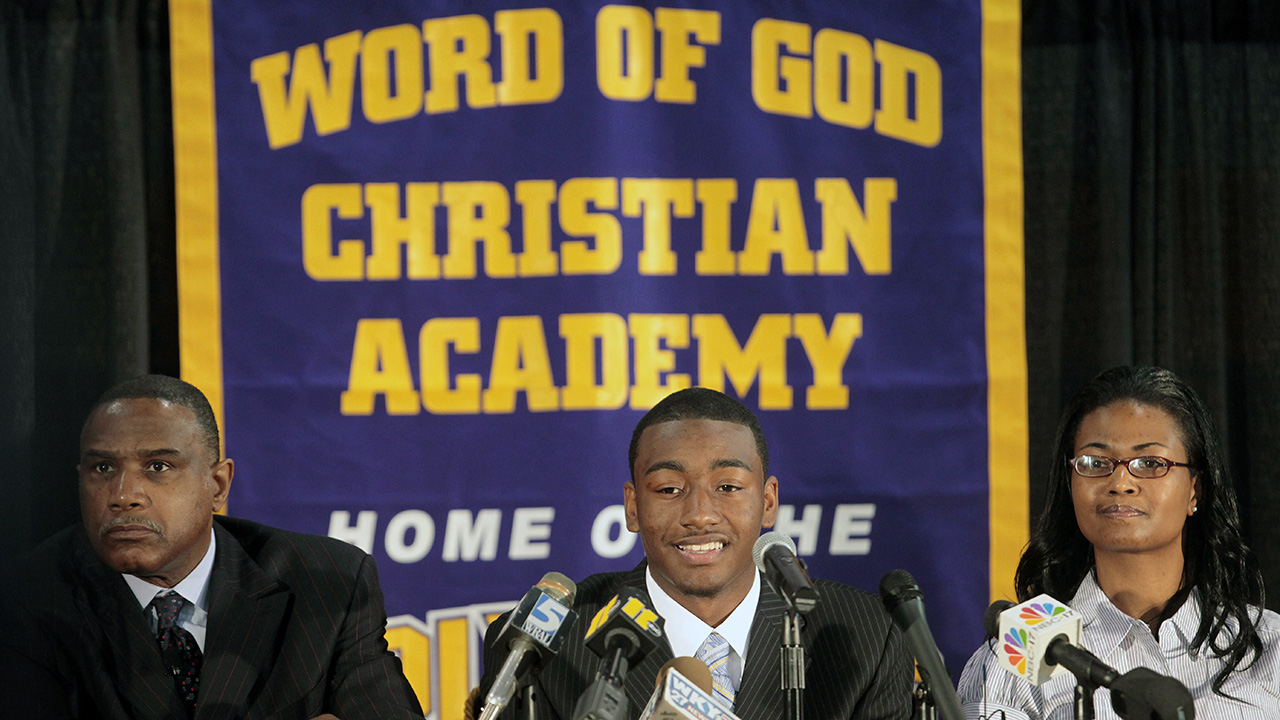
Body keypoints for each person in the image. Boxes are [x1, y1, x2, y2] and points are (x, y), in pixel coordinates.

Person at [0, 374, 423, 720]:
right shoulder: (27, 601)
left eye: (158, 466)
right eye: (103, 467)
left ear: (217, 485)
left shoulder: (328, 582)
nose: (123, 494)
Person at [476, 387, 913, 720]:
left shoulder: (866, 637)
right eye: (669, 489)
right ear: (632, 507)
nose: (700, 515)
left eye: (727, 487)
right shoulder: (538, 648)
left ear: (767, 502)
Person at [958, 366, 1280, 718]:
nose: (1120, 482)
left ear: (1195, 490)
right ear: (1070, 486)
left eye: (1150, 463)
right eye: (1095, 462)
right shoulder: (1016, 653)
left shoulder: (1269, 645)